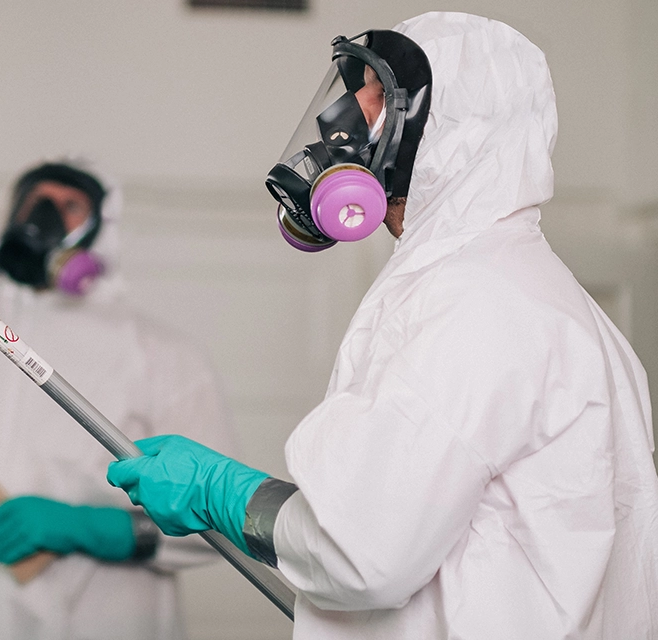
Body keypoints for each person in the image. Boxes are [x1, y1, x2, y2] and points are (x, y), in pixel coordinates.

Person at [106, 12, 658, 639]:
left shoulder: (471, 302)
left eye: (371, 93)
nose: (339, 118)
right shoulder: (543, 299)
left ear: (450, 127)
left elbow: (358, 550)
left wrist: (223, 493)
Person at [0, 159, 237, 640]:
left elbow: (217, 513)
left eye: (69, 205)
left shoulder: (161, 352)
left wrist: (97, 529)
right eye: (36, 202)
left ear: (99, 229)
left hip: (109, 612)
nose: (45, 218)